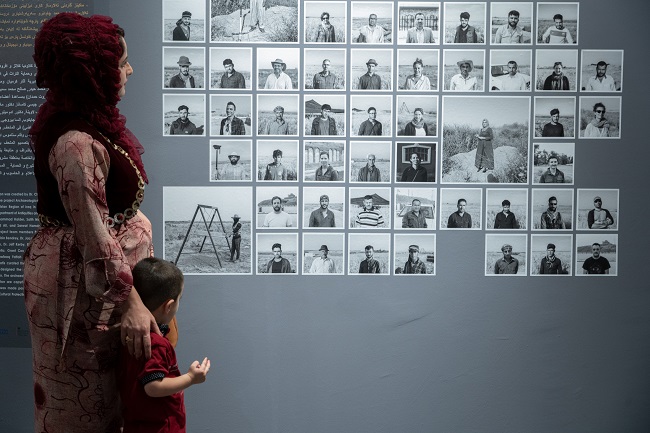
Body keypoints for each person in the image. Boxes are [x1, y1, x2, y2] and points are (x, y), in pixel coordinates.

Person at [25, 13, 176, 431]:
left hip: (106, 290)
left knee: (120, 396)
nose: (129, 69)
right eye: (121, 62)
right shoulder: (76, 142)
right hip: (85, 294)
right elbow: (93, 234)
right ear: (90, 71)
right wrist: (132, 303)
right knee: (84, 404)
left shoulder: (94, 123)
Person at [120, 257, 210, 432]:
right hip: (161, 426)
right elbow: (153, 386)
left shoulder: (130, 335)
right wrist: (191, 378)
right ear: (169, 306)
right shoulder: (157, 343)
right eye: (179, 299)